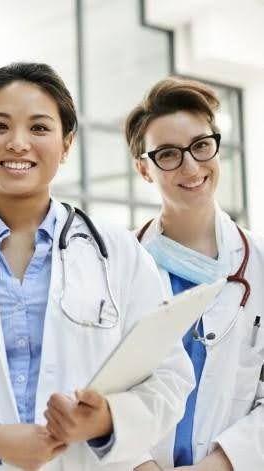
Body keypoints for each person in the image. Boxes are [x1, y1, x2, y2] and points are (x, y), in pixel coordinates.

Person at [0, 62, 194, 471]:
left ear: (66, 144)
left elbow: (170, 377)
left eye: (40, 128)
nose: (18, 143)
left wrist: (106, 420)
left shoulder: (119, 252)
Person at [127, 78, 264, 471]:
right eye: (168, 154)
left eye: (202, 146)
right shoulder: (118, 265)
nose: (191, 166)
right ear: (144, 168)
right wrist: (139, 465)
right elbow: (96, 385)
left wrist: (220, 464)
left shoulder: (260, 265)